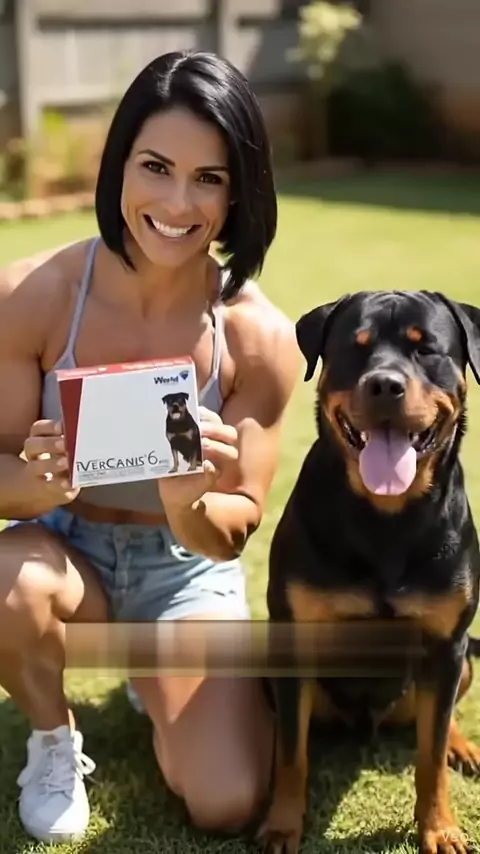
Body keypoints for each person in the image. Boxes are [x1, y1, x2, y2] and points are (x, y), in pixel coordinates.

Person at [0, 50, 300, 844]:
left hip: (184, 574)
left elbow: (237, 527)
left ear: (240, 193)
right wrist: (37, 483)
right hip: (66, 554)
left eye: (209, 178)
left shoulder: (261, 339)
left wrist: (187, 500)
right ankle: (53, 740)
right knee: (5, 582)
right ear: (119, 166)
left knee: (227, 801)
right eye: (156, 167)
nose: (176, 203)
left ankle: (161, 681)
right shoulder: (31, 295)